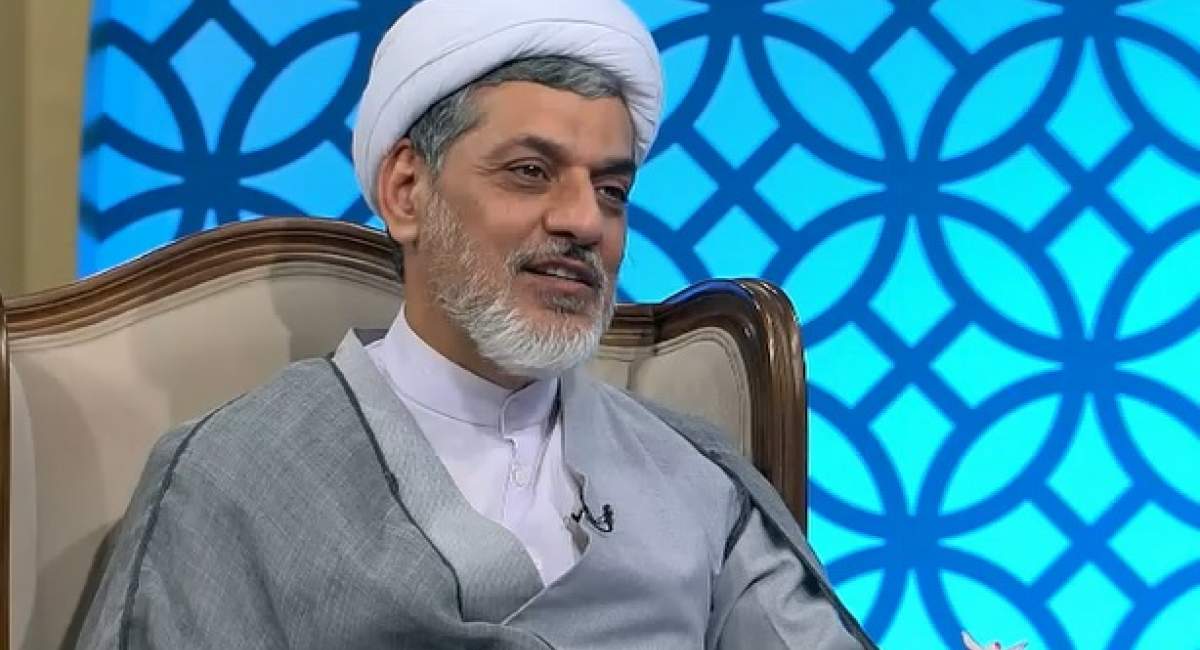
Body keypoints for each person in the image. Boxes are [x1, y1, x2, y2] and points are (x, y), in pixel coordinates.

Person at [76, 0, 876, 648]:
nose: (583, 221)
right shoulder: (234, 479)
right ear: (406, 192)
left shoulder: (695, 478)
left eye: (611, 191)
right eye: (530, 172)